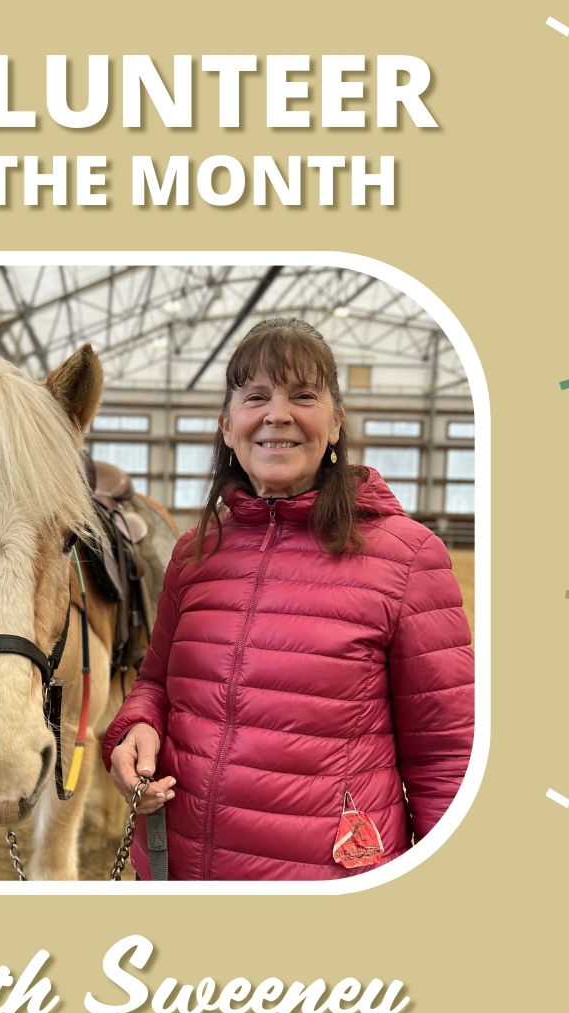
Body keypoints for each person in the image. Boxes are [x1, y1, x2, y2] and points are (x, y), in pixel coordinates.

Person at [102, 318, 474, 880]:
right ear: (227, 427)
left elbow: (447, 757)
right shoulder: (195, 554)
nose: (278, 414)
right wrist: (136, 726)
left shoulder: (407, 558)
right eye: (256, 397)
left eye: (303, 395)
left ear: (336, 422)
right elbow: (156, 682)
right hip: (184, 869)